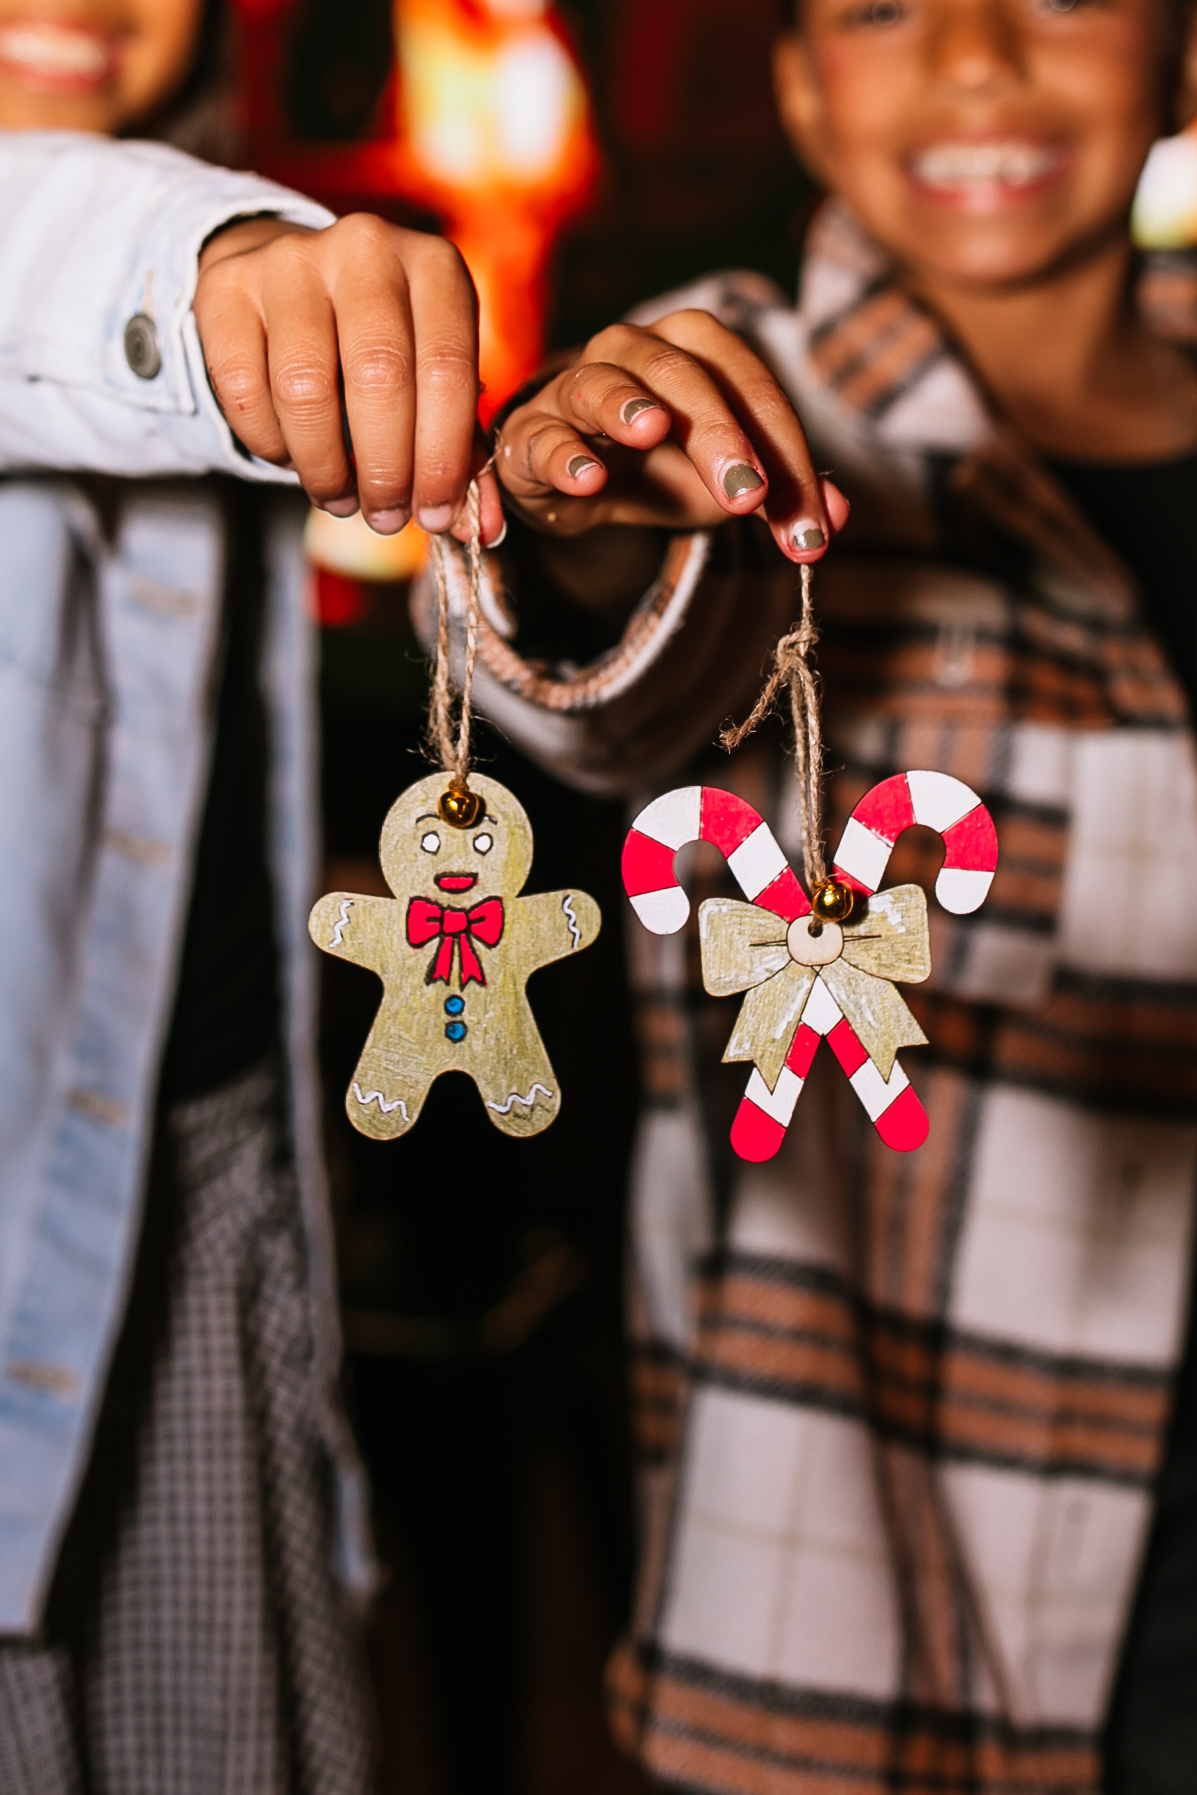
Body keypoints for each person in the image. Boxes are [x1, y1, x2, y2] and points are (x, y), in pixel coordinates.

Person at [425, 0, 1197, 1787]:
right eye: (880, 6)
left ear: (1181, 56)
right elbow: (601, 674)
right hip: (894, 1565)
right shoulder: (739, 400)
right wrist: (579, 505)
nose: (979, 60)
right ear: (792, 86)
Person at [0, 4, 502, 1788]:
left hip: (207, 1205)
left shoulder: (245, 224)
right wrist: (214, 264)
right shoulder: (180, 248)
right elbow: (35, 255)